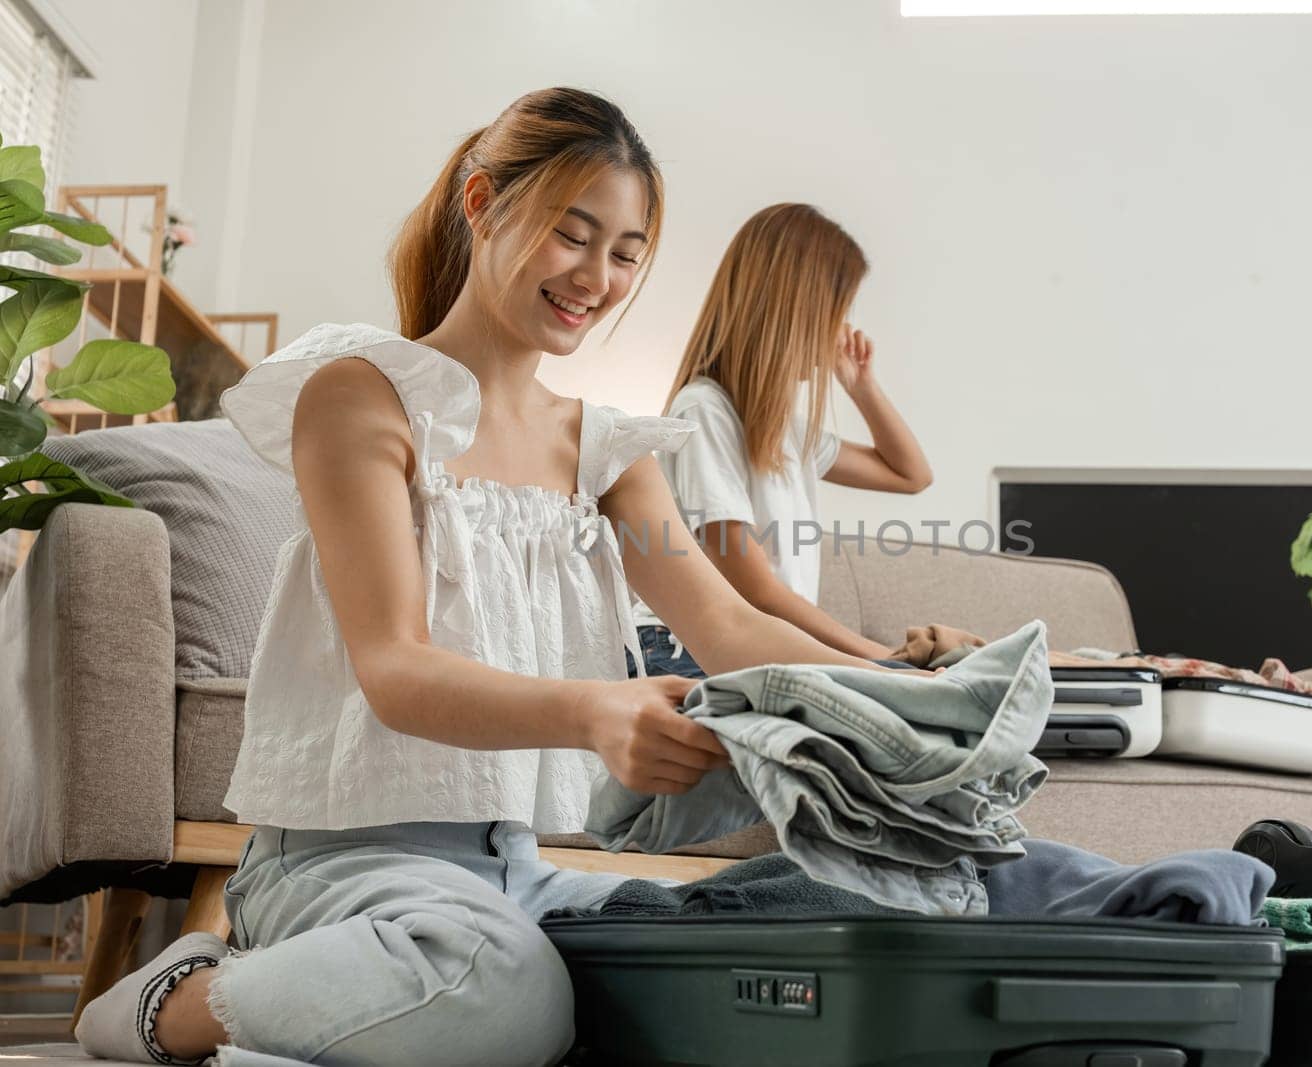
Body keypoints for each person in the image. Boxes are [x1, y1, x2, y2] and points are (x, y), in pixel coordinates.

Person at [74, 88, 905, 1067]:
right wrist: (597, 710)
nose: (596, 276)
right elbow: (393, 666)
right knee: (499, 988)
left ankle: (439, 987)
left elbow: (725, 621)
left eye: (626, 252)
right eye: (572, 233)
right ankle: (179, 996)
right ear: (483, 203)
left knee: (845, 908)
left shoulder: (607, 448)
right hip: (339, 861)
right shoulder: (362, 396)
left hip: (514, 869)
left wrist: (909, 703)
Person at [630, 203, 933, 679]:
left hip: (760, 645)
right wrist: (878, 659)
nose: (840, 334)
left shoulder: (786, 432)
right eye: (836, 315)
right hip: (688, 652)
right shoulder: (705, 411)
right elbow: (756, 591)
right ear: (797, 314)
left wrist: (861, 386)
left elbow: (911, 476)